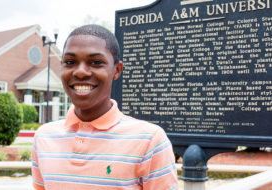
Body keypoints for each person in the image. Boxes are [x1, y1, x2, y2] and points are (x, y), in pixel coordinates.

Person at [31, 24, 179, 190]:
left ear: (117, 70)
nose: (80, 72)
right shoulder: (43, 137)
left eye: (96, 62)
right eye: (70, 62)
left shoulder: (150, 141)